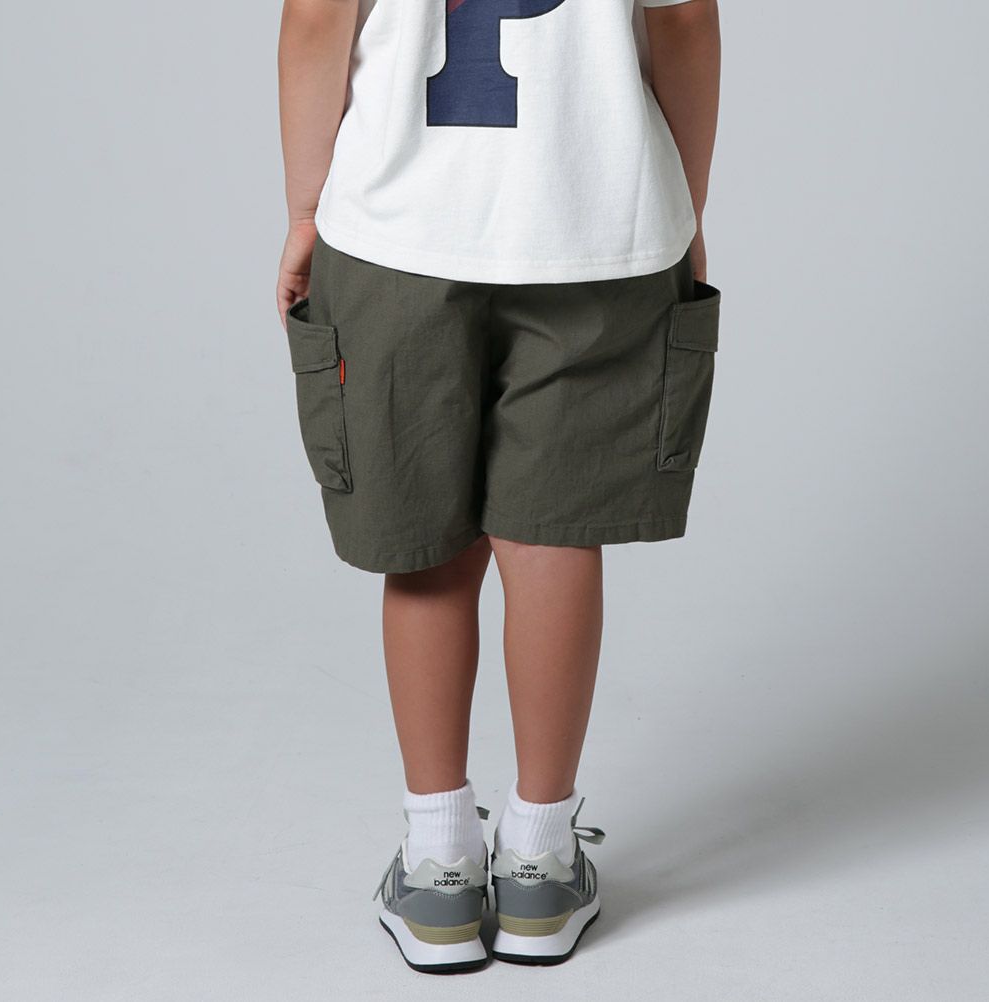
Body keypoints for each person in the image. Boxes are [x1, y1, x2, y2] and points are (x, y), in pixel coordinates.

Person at [276, 0, 721, 974]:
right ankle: (539, 863)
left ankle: (439, 863)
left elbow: (316, 17)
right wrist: (686, 201)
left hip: (397, 228)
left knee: (426, 546)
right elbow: (686, 17)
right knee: (554, 534)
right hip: (593, 220)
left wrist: (305, 210)